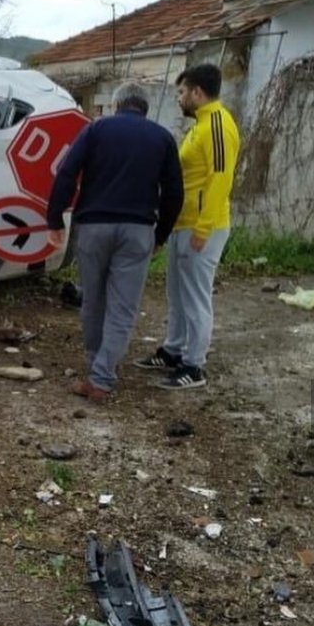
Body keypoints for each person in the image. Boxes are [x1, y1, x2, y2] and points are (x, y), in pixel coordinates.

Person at [46, 82, 183, 402]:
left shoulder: (96, 130)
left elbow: (67, 172)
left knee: (93, 301)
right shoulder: (162, 138)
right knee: (123, 308)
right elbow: (175, 193)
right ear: (145, 108)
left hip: (93, 227)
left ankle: (97, 370)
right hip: (137, 231)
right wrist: (160, 235)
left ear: (117, 104)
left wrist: (54, 220)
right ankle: (102, 377)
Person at [134, 63, 241, 391]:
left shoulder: (219, 126)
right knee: (177, 294)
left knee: (195, 297)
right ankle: (174, 349)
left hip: (201, 226)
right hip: (184, 223)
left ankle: (194, 365)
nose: (179, 98)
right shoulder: (199, 126)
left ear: (197, 92)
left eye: (182, 92)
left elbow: (221, 180)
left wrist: (203, 228)